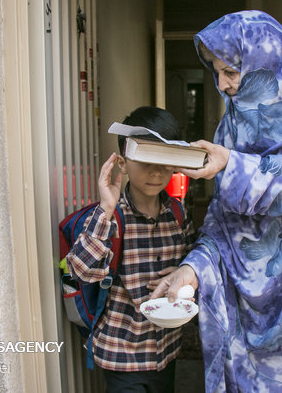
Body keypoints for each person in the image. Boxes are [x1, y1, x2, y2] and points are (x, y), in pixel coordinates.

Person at [150, 11, 282, 393]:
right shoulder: (231, 124)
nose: (223, 84)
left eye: (231, 71)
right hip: (245, 303)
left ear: (265, 60)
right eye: (215, 72)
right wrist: (193, 269)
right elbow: (222, 220)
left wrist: (230, 163)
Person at [66, 106, 197, 393]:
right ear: (123, 163)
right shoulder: (108, 217)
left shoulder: (177, 213)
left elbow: (192, 260)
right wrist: (106, 208)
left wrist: (182, 271)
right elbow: (81, 272)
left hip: (166, 348)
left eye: (163, 159)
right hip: (122, 353)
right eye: (145, 158)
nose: (155, 171)